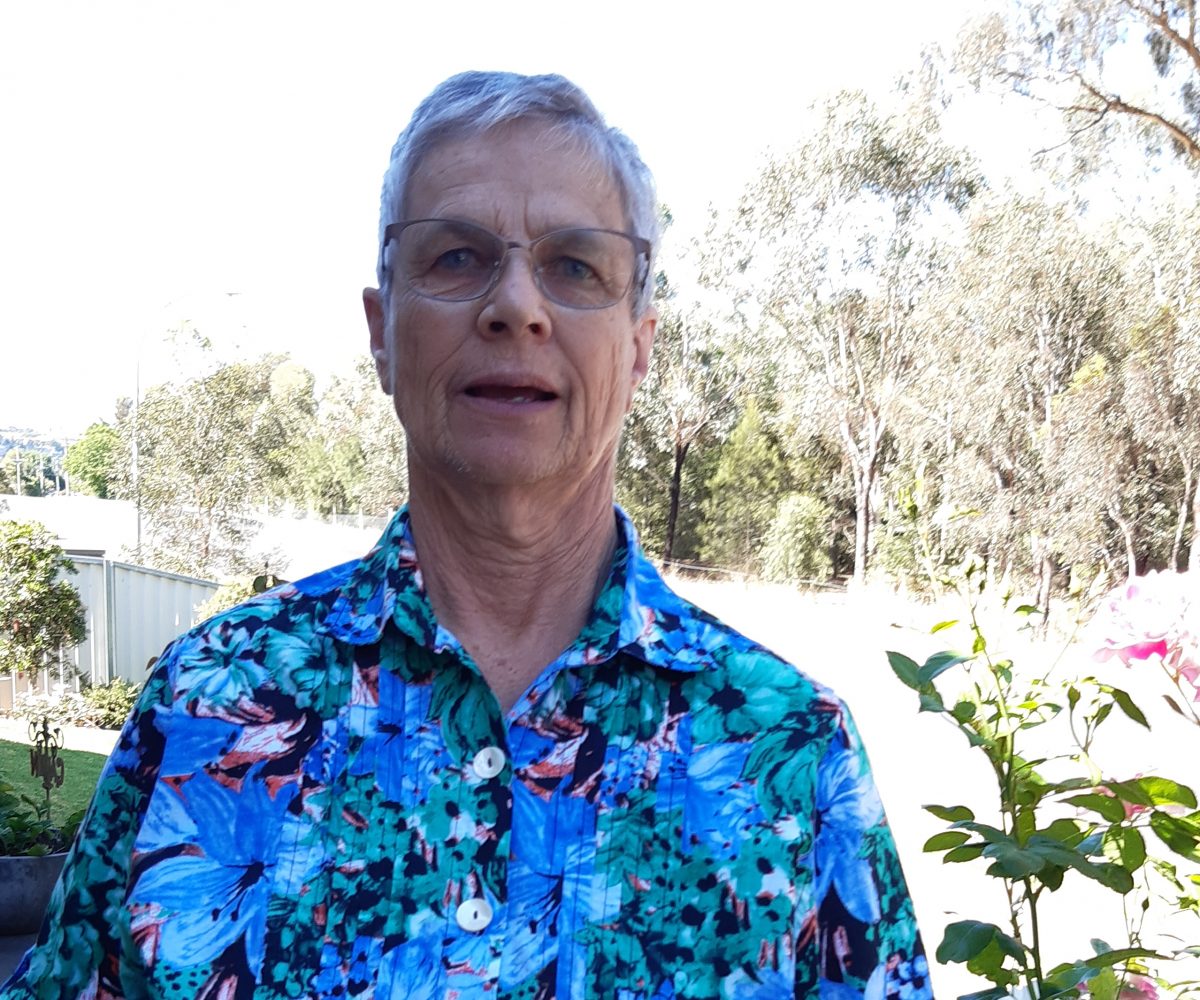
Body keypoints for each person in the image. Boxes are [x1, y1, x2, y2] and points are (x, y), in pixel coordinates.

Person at [2, 71, 927, 1000]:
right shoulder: (204, 706)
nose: (516, 305)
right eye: (455, 257)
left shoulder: (797, 758)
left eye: (575, 265)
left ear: (639, 344)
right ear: (382, 331)